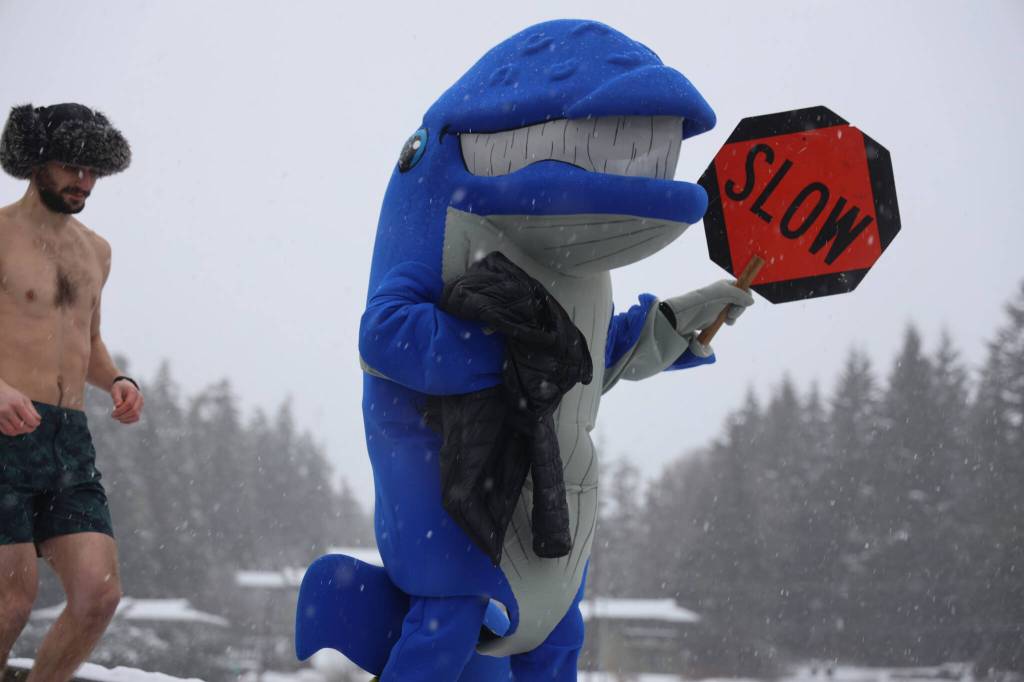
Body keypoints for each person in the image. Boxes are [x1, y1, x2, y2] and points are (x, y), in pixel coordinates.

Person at [0, 103, 143, 682]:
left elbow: (88, 339)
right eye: (71, 167)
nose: (83, 182)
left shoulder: (97, 250)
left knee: (98, 595)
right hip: (2, 432)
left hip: (67, 440)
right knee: (11, 601)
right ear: (36, 162)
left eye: (92, 171)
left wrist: (116, 380)